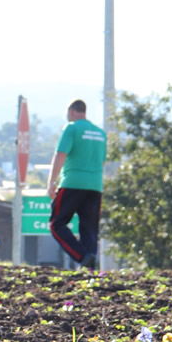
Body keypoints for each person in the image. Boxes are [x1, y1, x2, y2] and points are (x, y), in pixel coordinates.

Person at [46, 99, 106, 270]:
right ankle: (90, 270)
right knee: (89, 229)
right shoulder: (100, 133)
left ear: (71, 112)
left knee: (56, 223)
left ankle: (82, 256)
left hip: (72, 183)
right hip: (95, 186)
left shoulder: (71, 128)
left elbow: (60, 155)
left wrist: (52, 182)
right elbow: (102, 162)